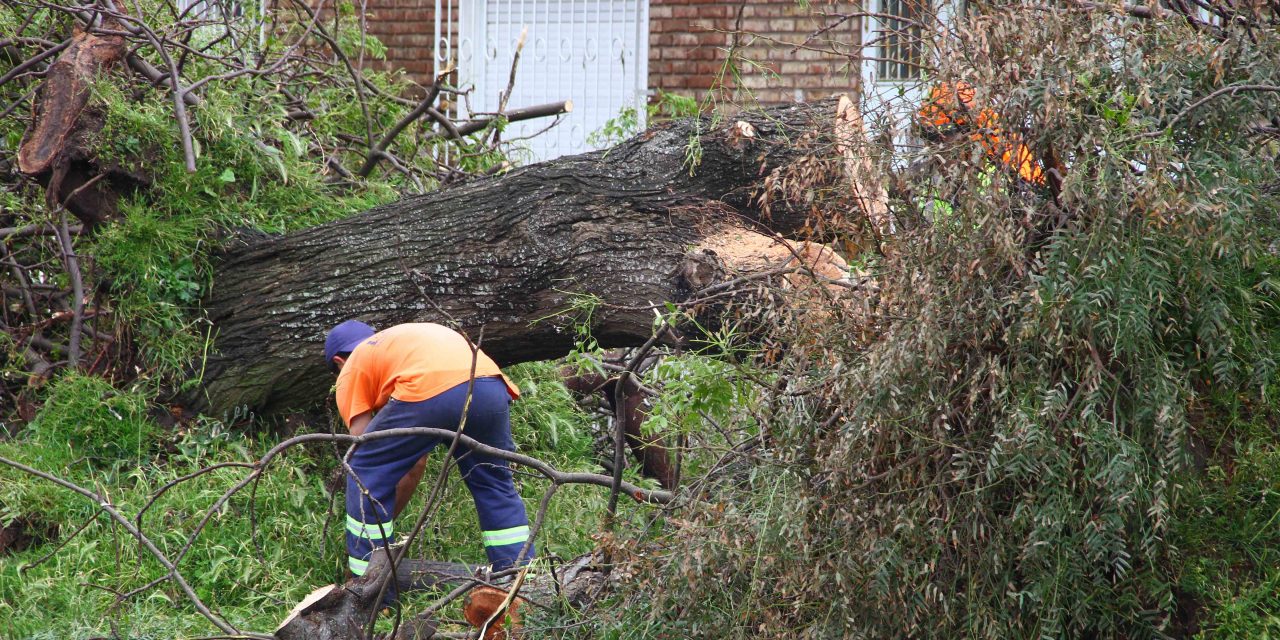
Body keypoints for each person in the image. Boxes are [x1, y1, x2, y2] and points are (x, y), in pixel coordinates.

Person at [324, 320, 533, 579]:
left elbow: (365, 450)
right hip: (488, 382)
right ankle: (519, 580)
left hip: (430, 388)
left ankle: (364, 585)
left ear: (338, 362)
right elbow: (414, 462)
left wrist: (376, 521)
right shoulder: (397, 344)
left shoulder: (352, 366)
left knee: (363, 469)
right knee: (494, 483)